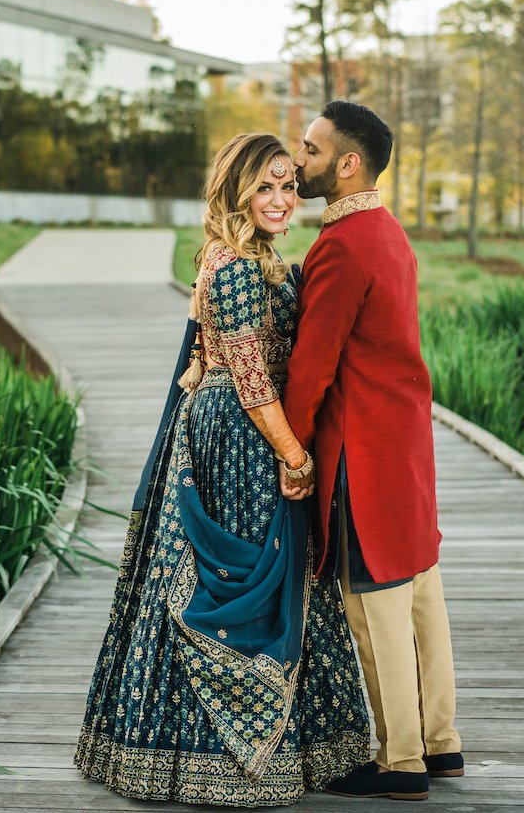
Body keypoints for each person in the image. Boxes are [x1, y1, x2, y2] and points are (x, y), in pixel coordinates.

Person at [75, 132, 370, 806]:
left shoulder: (233, 256)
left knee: (267, 573)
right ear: (236, 191)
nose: (279, 198)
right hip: (242, 437)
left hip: (224, 427)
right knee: (255, 573)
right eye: (263, 186)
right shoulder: (237, 267)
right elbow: (252, 382)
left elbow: (204, 357)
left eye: (287, 184)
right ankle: (237, 760)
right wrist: (296, 457)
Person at [281, 101, 463, 801]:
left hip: (362, 454)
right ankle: (441, 744)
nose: (299, 161)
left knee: (375, 609)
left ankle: (401, 763)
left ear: (347, 162)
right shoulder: (389, 232)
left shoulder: (344, 244)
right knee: (421, 597)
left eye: (311, 149)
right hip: (407, 448)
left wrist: (292, 454)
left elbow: (311, 369)